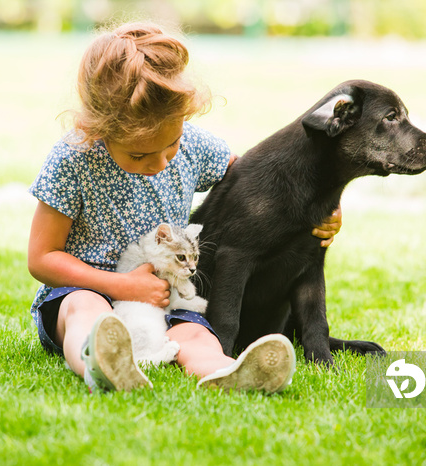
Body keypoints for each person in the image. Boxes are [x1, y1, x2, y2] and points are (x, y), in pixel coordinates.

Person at [27, 22, 343, 394]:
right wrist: (121, 286)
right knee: (86, 310)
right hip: (86, 290)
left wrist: (319, 214)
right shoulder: (74, 159)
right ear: (100, 128)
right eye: (139, 154)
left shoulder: (195, 146)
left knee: (194, 332)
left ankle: (226, 373)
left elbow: (255, 185)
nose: (161, 162)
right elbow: (42, 258)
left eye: (171, 144)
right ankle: (100, 363)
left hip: (165, 299)